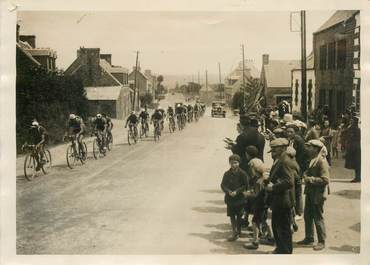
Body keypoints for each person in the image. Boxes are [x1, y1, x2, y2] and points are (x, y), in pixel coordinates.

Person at [265, 138, 299, 254]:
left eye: (275, 149)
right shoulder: (281, 159)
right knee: (277, 226)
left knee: (282, 227)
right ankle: (281, 249)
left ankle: (284, 251)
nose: (272, 151)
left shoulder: (285, 161)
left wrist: (273, 187)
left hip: (283, 199)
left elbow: (289, 181)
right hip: (279, 199)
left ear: (283, 148)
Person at [297, 139, 330, 251]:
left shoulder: (321, 161)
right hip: (311, 193)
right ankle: (309, 237)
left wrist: (310, 179)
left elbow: (325, 179)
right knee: (308, 216)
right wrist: (306, 174)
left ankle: (321, 241)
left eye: (309, 147)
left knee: (317, 217)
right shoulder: (312, 160)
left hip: (318, 194)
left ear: (316, 149)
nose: (307, 149)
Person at [243, 147, 273, 250]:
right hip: (265, 203)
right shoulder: (263, 179)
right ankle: (270, 237)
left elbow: (256, 194)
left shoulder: (258, 181)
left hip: (259, 203)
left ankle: (255, 242)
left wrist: (247, 194)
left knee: (255, 222)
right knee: (264, 220)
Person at [221, 154, 249, 241]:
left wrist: (237, 191)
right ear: (229, 163)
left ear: (239, 163)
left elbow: (245, 185)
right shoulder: (227, 174)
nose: (233, 165)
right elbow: (223, 185)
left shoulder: (243, 174)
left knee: (239, 215)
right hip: (230, 199)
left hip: (240, 199)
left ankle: (239, 230)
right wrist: (228, 191)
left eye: (235, 163)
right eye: (232, 163)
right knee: (232, 215)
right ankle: (234, 232)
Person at [286, 124, 306, 218]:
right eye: (288, 131)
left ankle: (300, 212)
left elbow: (302, 158)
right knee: (292, 190)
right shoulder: (290, 140)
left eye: (291, 132)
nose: (289, 133)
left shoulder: (299, 141)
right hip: (292, 168)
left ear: (295, 132)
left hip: (297, 169)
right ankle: (294, 210)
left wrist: (300, 172)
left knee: (298, 191)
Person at [344, 117, 361, 182]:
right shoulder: (353, 128)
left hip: (355, 148)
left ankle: (358, 177)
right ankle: (357, 177)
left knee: (357, 164)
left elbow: (354, 138)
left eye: (352, 121)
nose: (350, 122)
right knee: (356, 164)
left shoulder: (356, 129)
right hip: (354, 147)